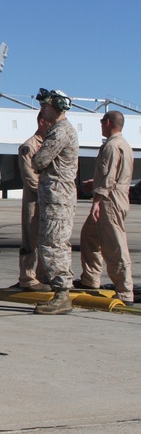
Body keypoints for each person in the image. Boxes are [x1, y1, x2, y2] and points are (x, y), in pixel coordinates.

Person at [30, 88, 80, 315]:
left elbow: (39, 160)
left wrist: (35, 157)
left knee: (53, 245)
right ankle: (61, 293)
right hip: (57, 196)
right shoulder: (61, 130)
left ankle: (62, 295)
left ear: (55, 107)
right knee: (55, 243)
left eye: (45, 107)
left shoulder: (59, 132)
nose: (42, 110)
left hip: (57, 196)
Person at [76, 111, 134, 303]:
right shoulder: (124, 144)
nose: (101, 125)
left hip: (109, 200)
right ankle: (90, 279)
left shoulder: (111, 146)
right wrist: (95, 183)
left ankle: (125, 290)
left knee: (113, 245)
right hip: (115, 194)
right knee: (89, 236)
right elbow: (115, 175)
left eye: (102, 122)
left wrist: (97, 202)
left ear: (108, 123)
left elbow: (108, 177)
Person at [15, 112, 52, 292]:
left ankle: (43, 276)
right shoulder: (29, 147)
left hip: (48, 200)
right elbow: (30, 178)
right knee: (31, 239)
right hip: (34, 200)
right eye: (51, 122)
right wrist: (50, 192)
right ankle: (28, 278)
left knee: (46, 239)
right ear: (42, 122)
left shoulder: (50, 145)